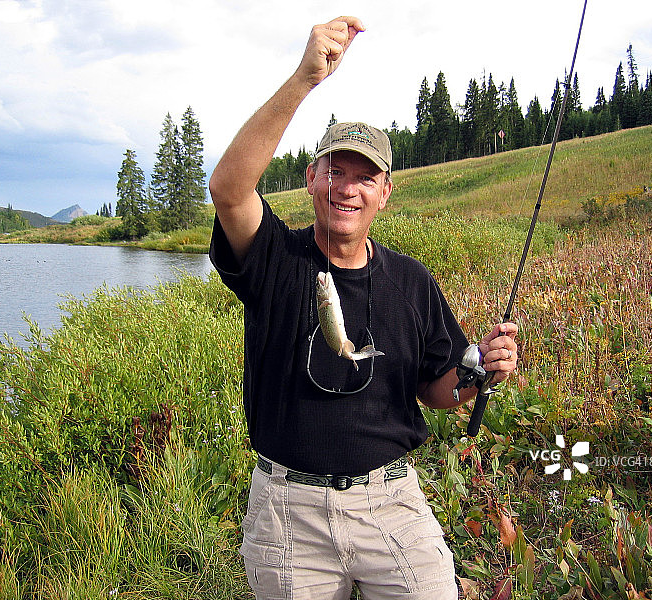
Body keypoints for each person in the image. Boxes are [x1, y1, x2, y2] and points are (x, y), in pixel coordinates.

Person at [208, 15, 518, 600]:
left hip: (391, 502)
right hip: (287, 510)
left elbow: (439, 393)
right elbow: (228, 188)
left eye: (365, 177)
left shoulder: (410, 280)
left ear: (384, 192)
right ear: (310, 179)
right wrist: (305, 79)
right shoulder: (275, 256)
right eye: (336, 172)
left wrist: (482, 369)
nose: (348, 188)